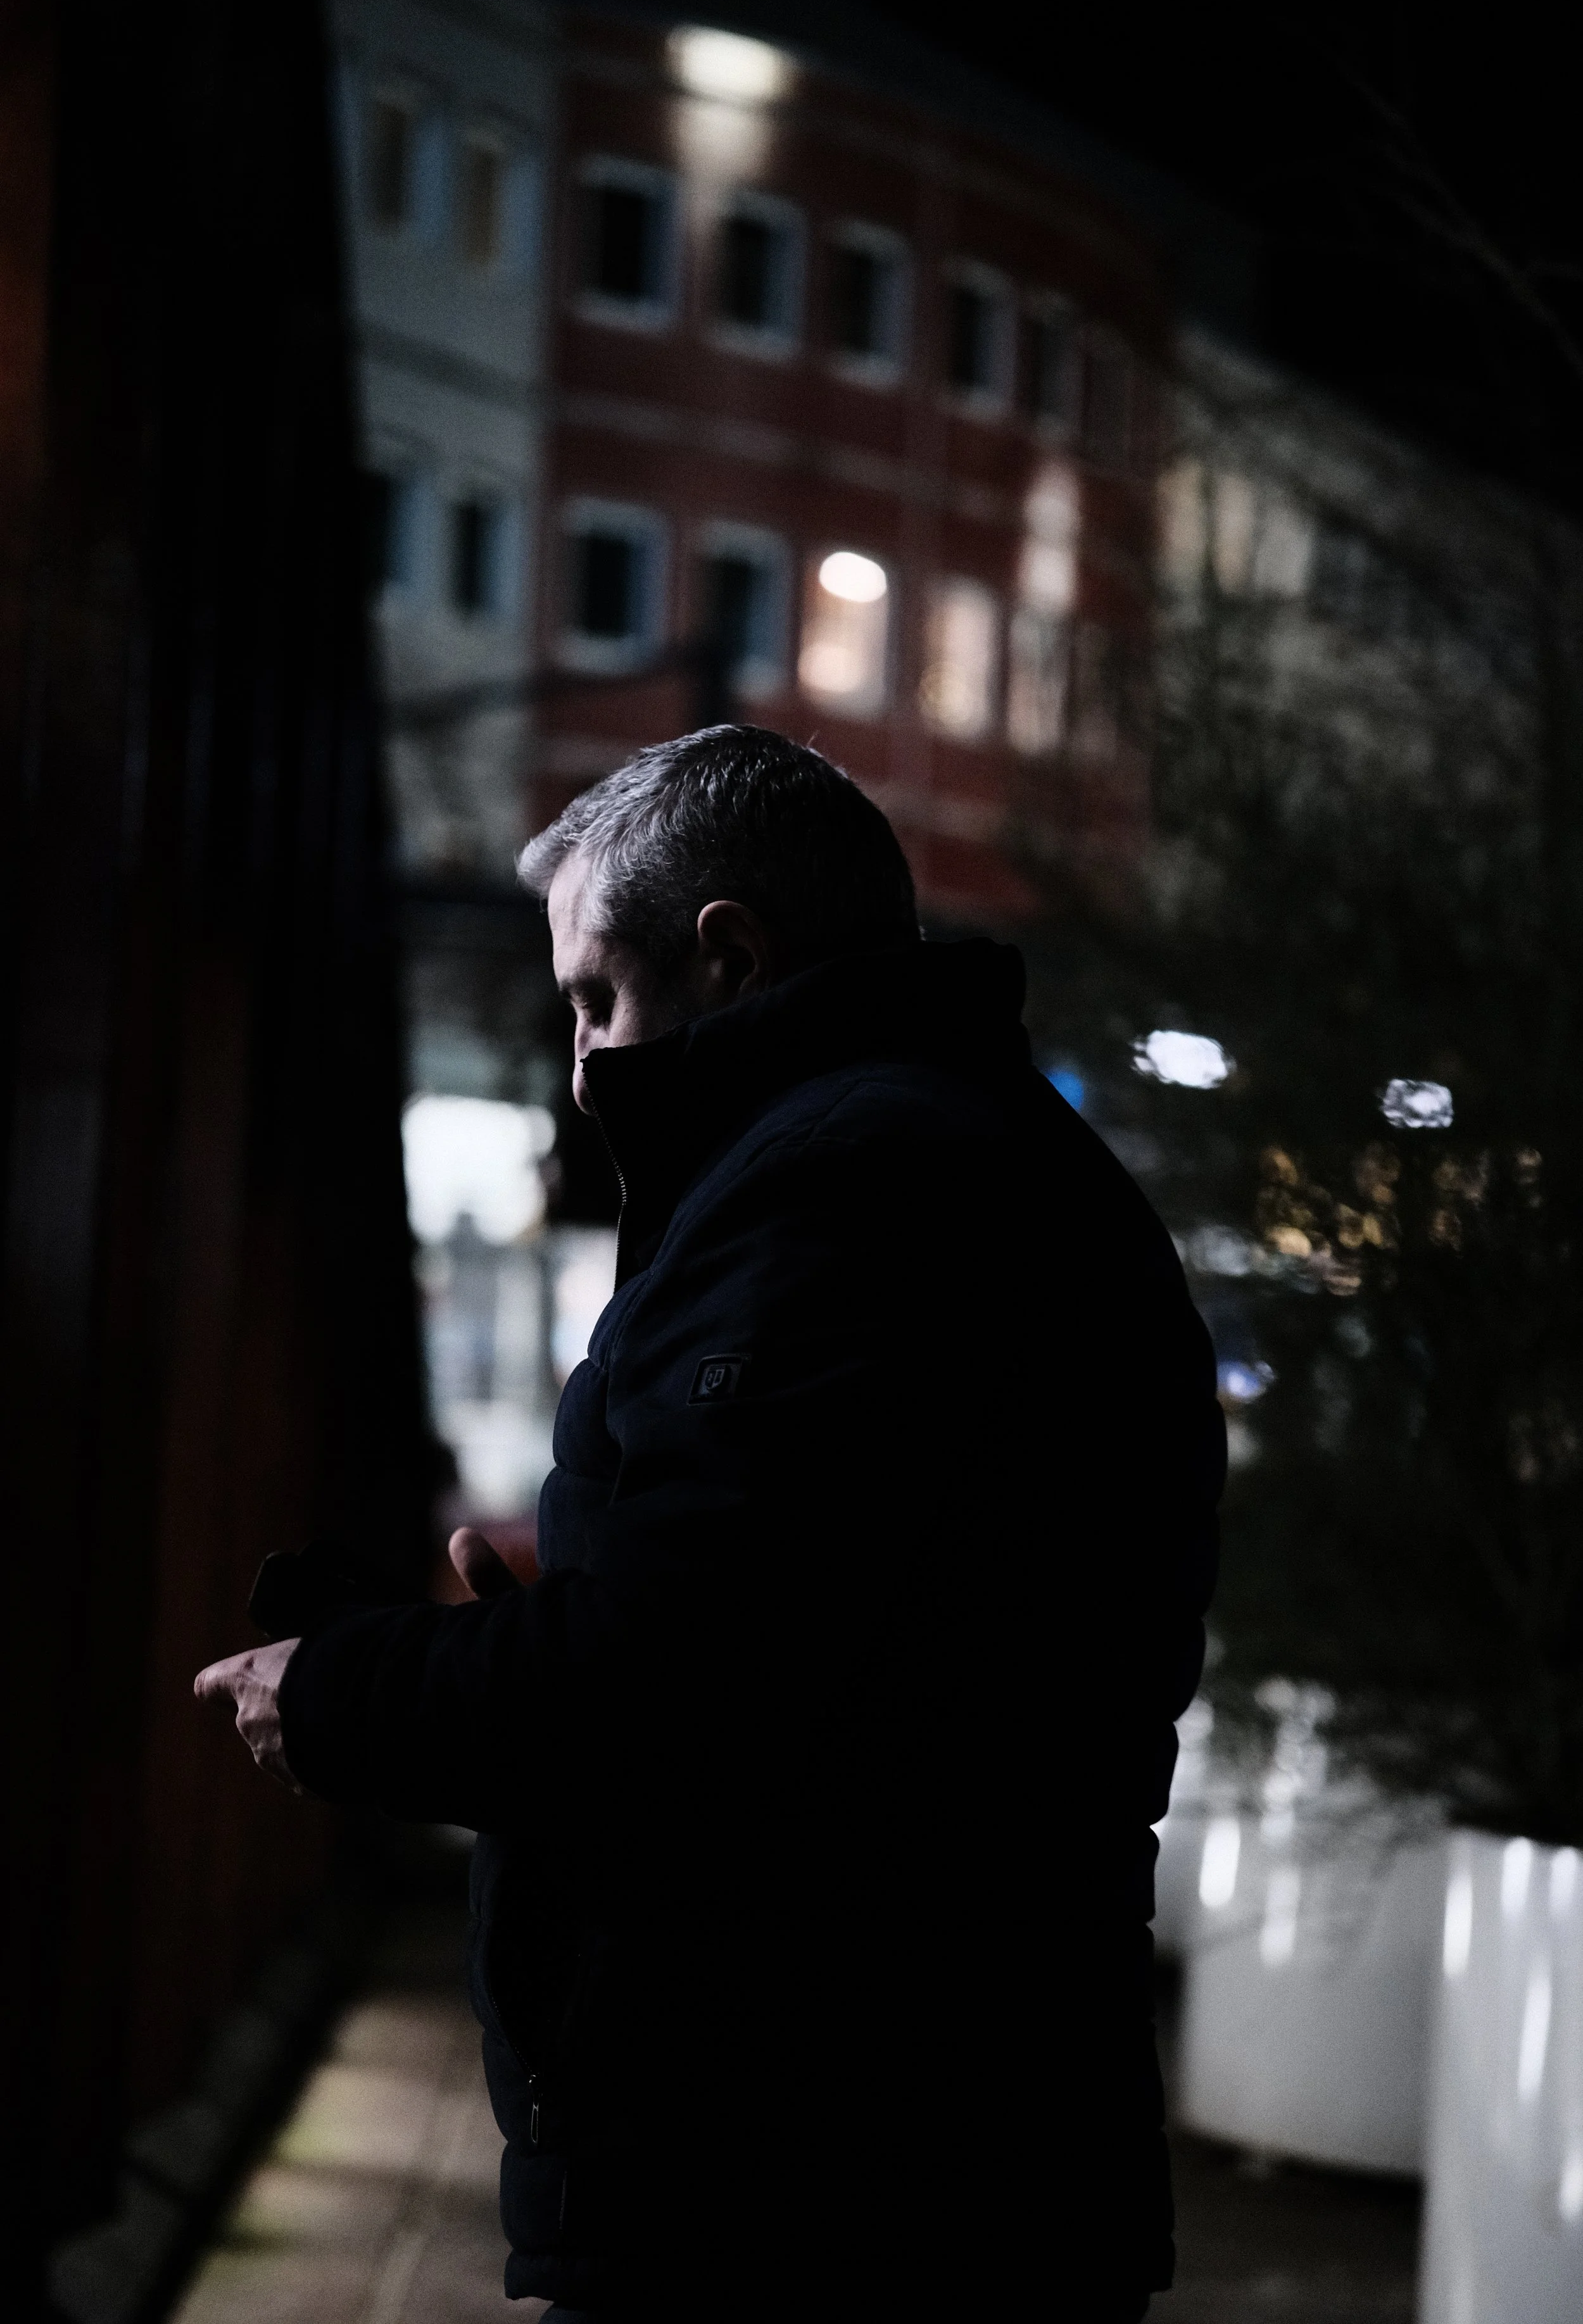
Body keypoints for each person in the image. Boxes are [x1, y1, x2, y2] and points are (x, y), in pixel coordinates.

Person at [197, 726, 1222, 2323]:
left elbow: (683, 1681)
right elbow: (820, 1636)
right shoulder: (968, 1154)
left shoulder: (845, 1188)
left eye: (595, 1000)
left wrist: (342, 1689)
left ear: (729, 955)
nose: (583, 1060)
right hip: (938, 2139)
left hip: (806, 2167)